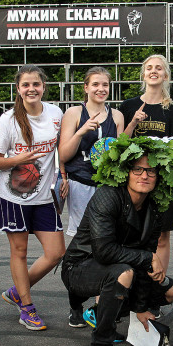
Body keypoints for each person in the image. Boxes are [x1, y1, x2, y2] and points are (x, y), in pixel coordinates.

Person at [61, 137, 173, 346]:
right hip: (80, 267)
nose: (144, 175)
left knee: (171, 292)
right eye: (137, 168)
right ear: (126, 172)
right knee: (123, 272)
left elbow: (144, 260)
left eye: (151, 170)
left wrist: (141, 307)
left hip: (122, 267)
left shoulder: (155, 205)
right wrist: (148, 256)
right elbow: (104, 251)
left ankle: (103, 313)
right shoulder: (108, 196)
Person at [0, 65, 66, 332]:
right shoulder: (8, 120)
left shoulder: (56, 113)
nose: (31, 89)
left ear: (44, 87)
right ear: (18, 89)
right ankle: (27, 307)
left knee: (56, 253)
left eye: (36, 84)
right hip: (13, 196)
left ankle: (16, 292)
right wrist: (17, 159)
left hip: (44, 196)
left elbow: (61, 150)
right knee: (19, 252)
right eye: (26, 85)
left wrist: (63, 176)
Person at [120, 54, 173, 276]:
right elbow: (119, 144)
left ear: (166, 74)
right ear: (143, 74)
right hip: (134, 182)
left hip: (163, 183)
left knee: (161, 237)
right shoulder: (129, 106)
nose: (153, 71)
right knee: (130, 235)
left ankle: (157, 289)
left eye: (159, 68)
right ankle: (131, 287)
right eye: (149, 68)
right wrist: (133, 123)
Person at [58, 67, 125, 238]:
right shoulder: (74, 113)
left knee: (107, 234)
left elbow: (120, 155)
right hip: (81, 182)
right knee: (82, 235)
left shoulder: (116, 115)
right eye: (95, 84)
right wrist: (81, 132)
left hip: (107, 185)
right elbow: (63, 155)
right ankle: (77, 264)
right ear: (86, 87)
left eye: (105, 85)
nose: (101, 89)